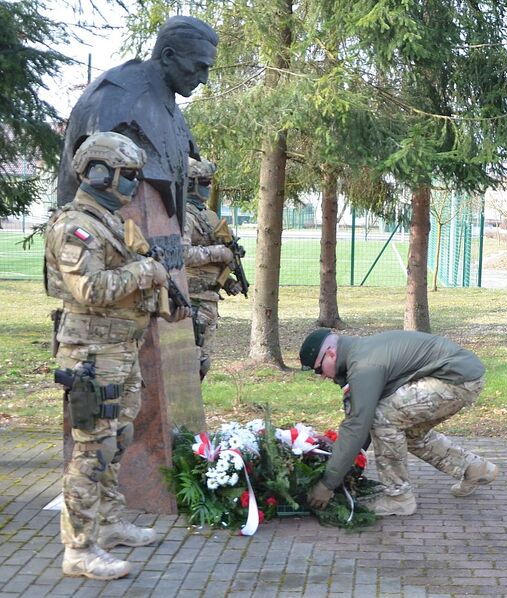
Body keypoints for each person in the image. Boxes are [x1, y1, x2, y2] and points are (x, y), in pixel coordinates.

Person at [45, 132, 172, 579]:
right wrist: (145, 272)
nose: (133, 184)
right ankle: (78, 549)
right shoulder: (74, 226)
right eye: (127, 175)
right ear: (99, 172)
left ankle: (110, 522)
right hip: (92, 356)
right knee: (92, 451)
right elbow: (89, 288)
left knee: (117, 438)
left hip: (120, 349)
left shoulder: (109, 222)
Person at [299, 329, 499, 516]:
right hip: (461, 376)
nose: (322, 376)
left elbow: (358, 424)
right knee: (407, 433)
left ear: (331, 354)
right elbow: (360, 422)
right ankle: (474, 469)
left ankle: (398, 498)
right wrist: (350, 465)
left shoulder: (364, 366)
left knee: (382, 418)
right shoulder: (360, 354)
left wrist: (327, 484)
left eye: (318, 369)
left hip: (455, 379)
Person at [58, 15, 218, 228]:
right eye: (199, 66)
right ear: (168, 56)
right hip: (100, 243)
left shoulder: (169, 106)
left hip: (161, 245)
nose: (204, 79)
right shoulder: (117, 98)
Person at [182, 157, 243, 379]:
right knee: (192, 366)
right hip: (192, 300)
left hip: (208, 300)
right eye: (204, 182)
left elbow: (213, 263)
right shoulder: (184, 216)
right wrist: (218, 252)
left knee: (202, 364)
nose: (208, 187)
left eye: (209, 182)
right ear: (190, 183)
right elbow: (182, 254)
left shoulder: (208, 215)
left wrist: (227, 281)